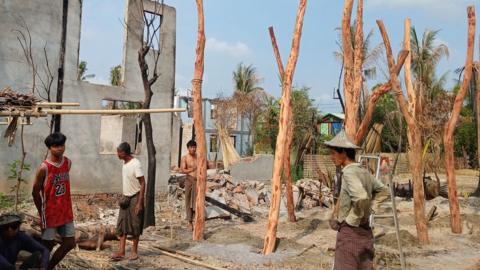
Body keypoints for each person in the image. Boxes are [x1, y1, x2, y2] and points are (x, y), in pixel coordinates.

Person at [324, 130, 388, 270]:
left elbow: (361, 197)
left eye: (333, 153)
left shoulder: (349, 173)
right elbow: (384, 190)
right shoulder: (363, 171)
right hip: (365, 234)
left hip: (350, 235)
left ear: (344, 153)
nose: (331, 157)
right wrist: (370, 210)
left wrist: (353, 218)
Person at [32, 132, 75, 270]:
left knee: (69, 243)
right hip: (50, 212)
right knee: (47, 246)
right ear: (49, 148)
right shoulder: (44, 168)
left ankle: (49, 267)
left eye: (62, 145)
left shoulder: (68, 163)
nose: (60, 148)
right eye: (56, 146)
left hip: (66, 210)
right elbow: (35, 192)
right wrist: (41, 212)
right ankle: (38, 266)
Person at [111, 142, 145, 261]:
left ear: (124, 153)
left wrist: (139, 203)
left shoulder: (136, 164)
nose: (117, 154)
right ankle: (121, 251)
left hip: (135, 197)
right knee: (122, 225)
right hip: (125, 198)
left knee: (135, 225)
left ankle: (134, 252)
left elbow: (142, 183)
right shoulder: (124, 163)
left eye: (119, 152)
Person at [180, 140, 197, 231]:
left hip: (198, 181)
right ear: (188, 148)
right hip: (189, 180)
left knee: (196, 201)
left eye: (194, 147)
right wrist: (192, 169)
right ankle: (189, 222)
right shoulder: (185, 158)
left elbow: (206, 165)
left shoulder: (198, 156)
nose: (193, 149)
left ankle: (196, 220)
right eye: (191, 147)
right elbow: (182, 170)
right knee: (188, 200)